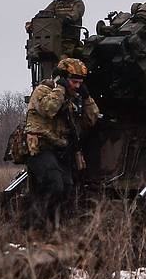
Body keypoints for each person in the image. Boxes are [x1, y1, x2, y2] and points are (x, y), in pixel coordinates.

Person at [22, 56, 100, 226]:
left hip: (61, 150)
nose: (77, 86)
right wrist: (60, 89)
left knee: (67, 188)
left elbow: (92, 119)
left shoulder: (74, 99)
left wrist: (86, 99)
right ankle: (31, 226)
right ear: (63, 79)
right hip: (40, 147)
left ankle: (52, 227)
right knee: (54, 184)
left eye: (80, 83)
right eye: (74, 82)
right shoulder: (43, 90)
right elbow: (49, 109)